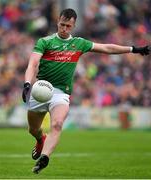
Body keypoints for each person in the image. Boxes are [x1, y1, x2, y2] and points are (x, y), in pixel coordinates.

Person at [22, 8, 150, 174]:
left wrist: (133, 49)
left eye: (68, 26)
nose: (64, 29)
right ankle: (40, 139)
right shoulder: (44, 42)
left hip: (61, 93)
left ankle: (44, 157)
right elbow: (32, 64)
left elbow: (107, 48)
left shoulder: (79, 43)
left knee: (57, 124)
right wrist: (27, 83)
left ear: (73, 26)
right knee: (33, 129)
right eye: (62, 24)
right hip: (40, 90)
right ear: (57, 22)